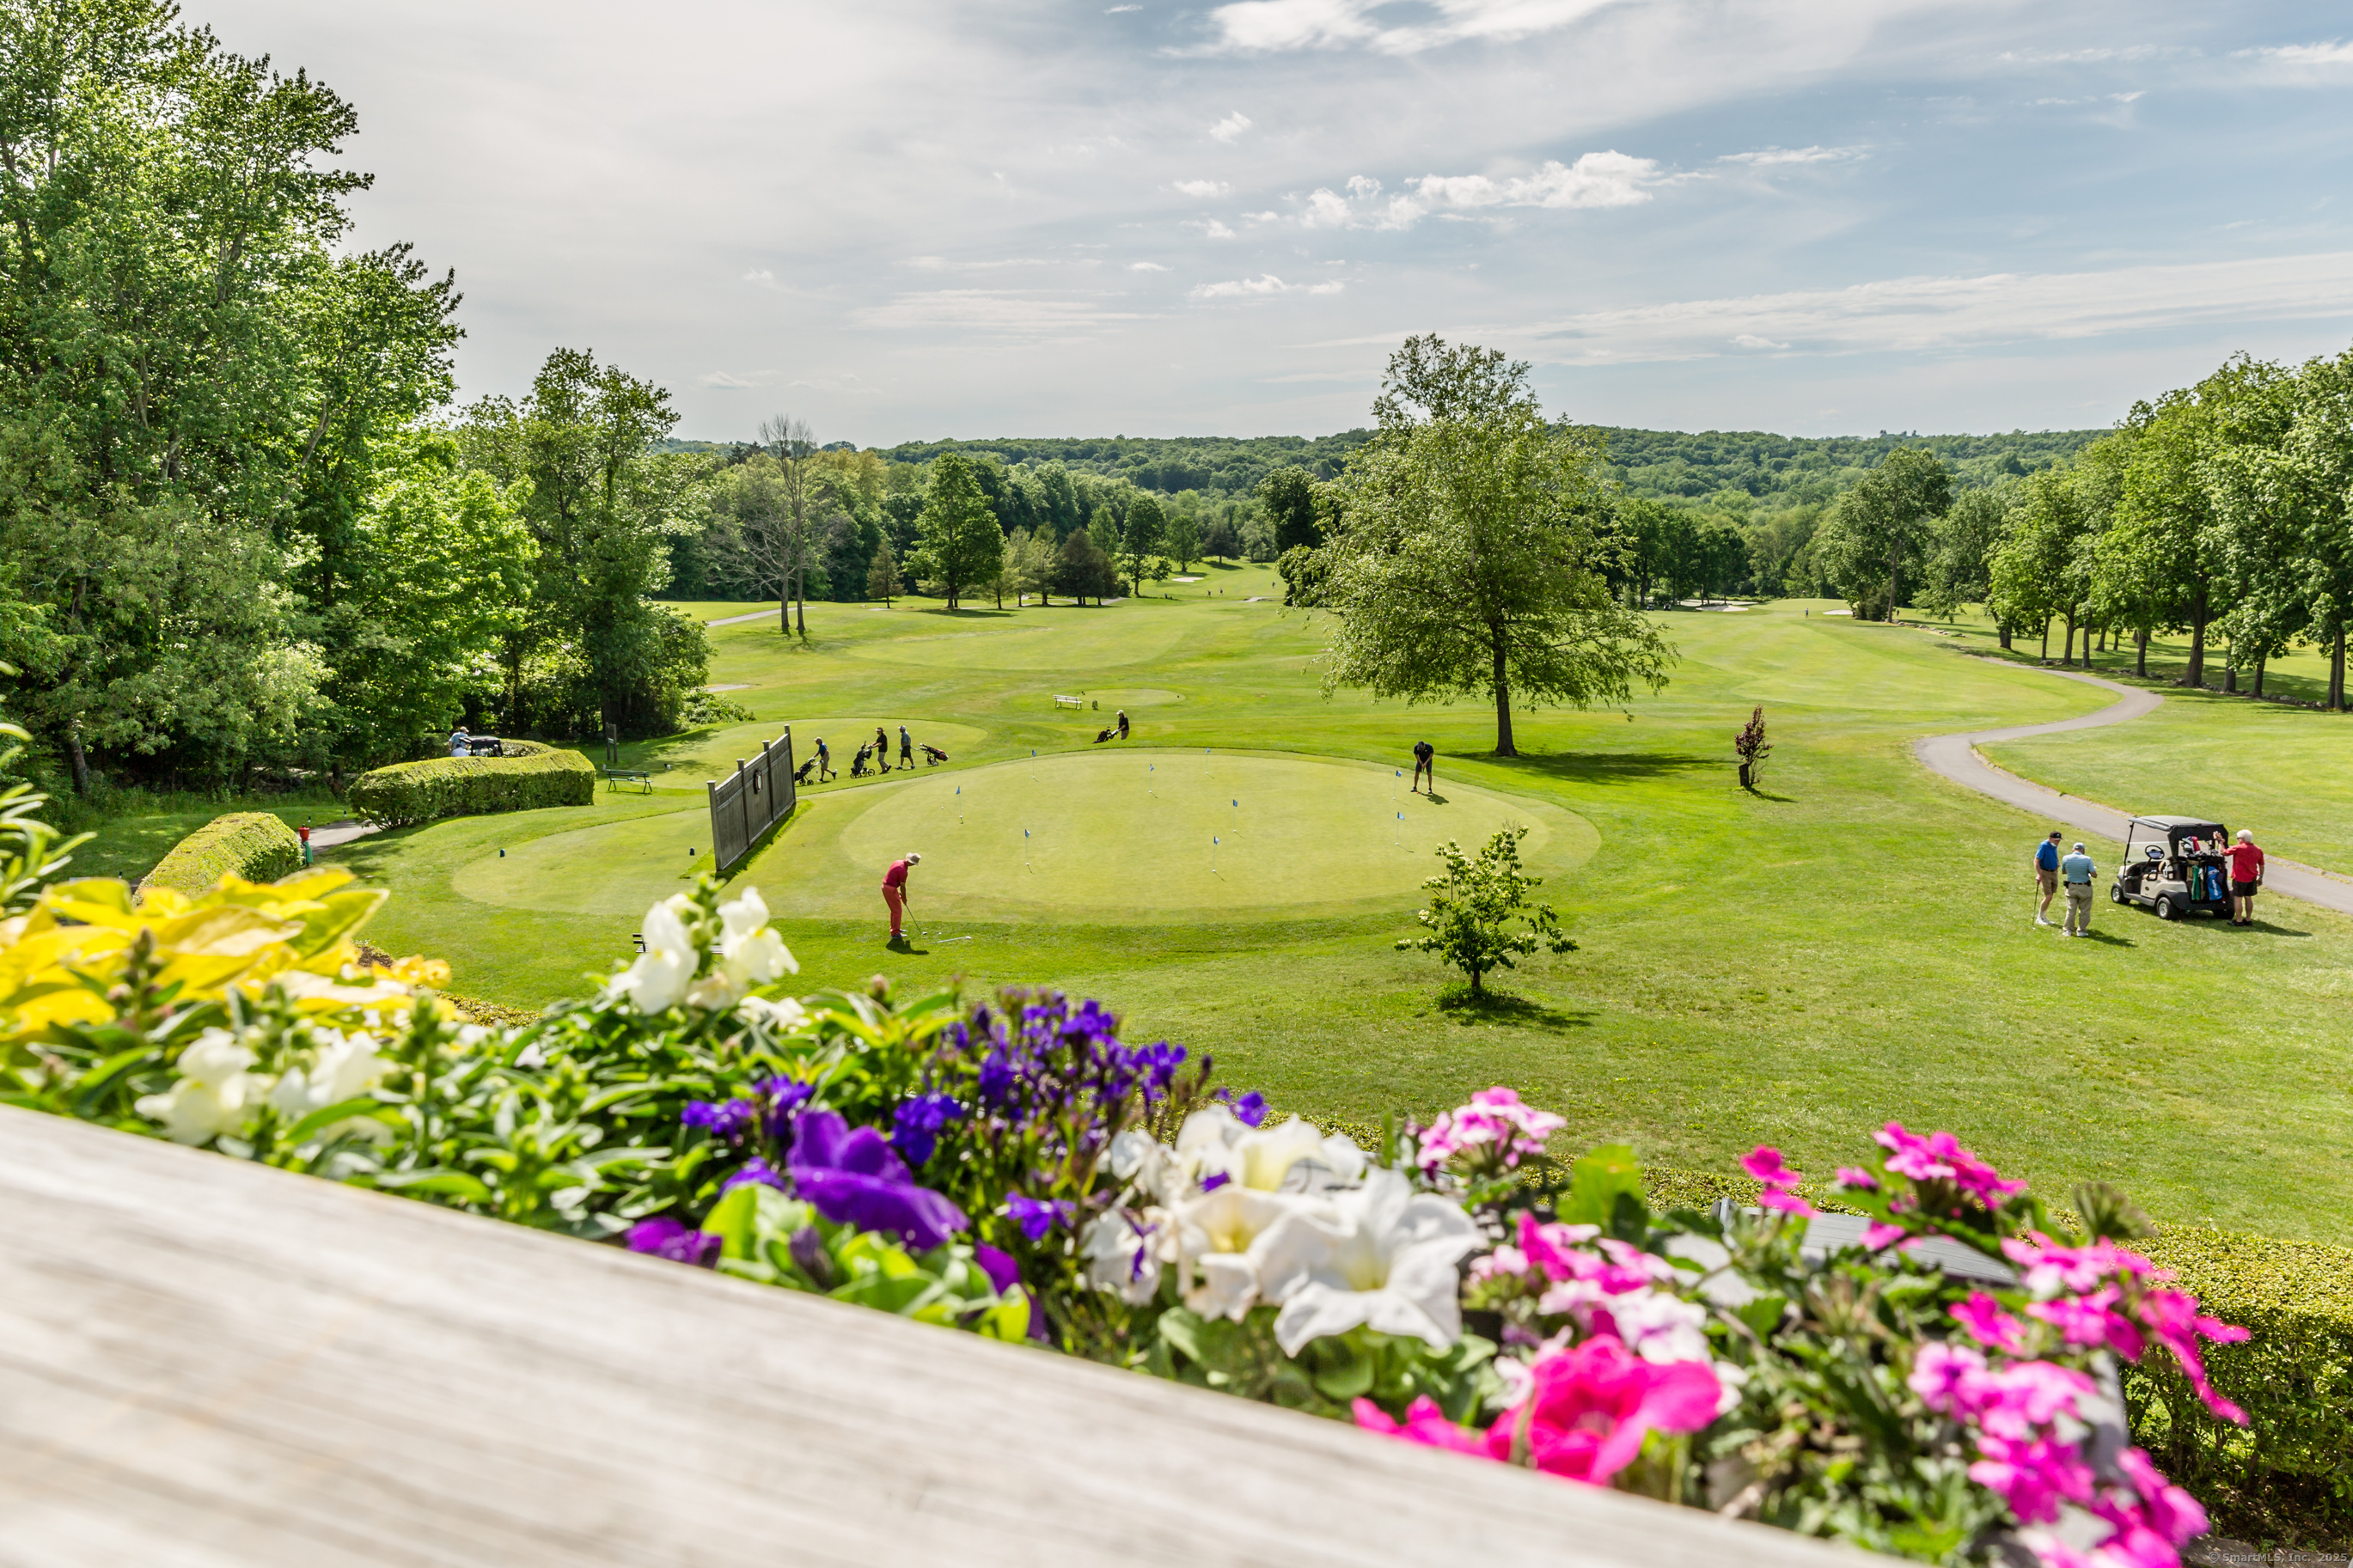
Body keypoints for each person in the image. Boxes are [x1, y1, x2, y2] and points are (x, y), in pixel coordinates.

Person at [2226, 827, 2265, 925]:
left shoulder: (2238, 848)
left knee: (2238, 899)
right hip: (2252, 878)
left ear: (2241, 839)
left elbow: (2224, 852)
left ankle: (2239, 920)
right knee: (2248, 898)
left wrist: (2220, 842)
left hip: (2239, 878)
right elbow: (2261, 865)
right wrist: (2260, 876)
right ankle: (2248, 919)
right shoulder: (2258, 850)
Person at [2060, 840, 2098, 937]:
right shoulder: (2087, 859)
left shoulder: (2066, 858)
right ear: (2083, 850)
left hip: (2071, 886)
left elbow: (2064, 871)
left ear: (2073, 850)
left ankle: (2068, 930)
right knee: (2084, 910)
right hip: (2085, 887)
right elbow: (2094, 875)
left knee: (2071, 910)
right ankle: (2082, 930)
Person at [883, 851, 920, 943]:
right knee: (897, 911)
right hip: (890, 888)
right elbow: (903, 887)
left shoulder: (898, 862)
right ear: (911, 863)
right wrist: (904, 897)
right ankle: (895, 933)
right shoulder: (903, 870)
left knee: (895, 910)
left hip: (889, 887)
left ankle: (896, 929)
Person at [2032, 830, 2062, 925]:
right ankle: (2039, 917)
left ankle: (2044, 917)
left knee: (2051, 896)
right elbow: (2037, 860)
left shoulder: (2054, 846)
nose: (2057, 842)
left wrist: (2057, 862)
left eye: (2059, 840)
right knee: (2048, 896)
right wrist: (2039, 874)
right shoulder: (2044, 845)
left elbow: (2054, 854)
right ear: (2050, 839)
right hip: (2045, 872)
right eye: (2056, 840)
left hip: (2054, 872)